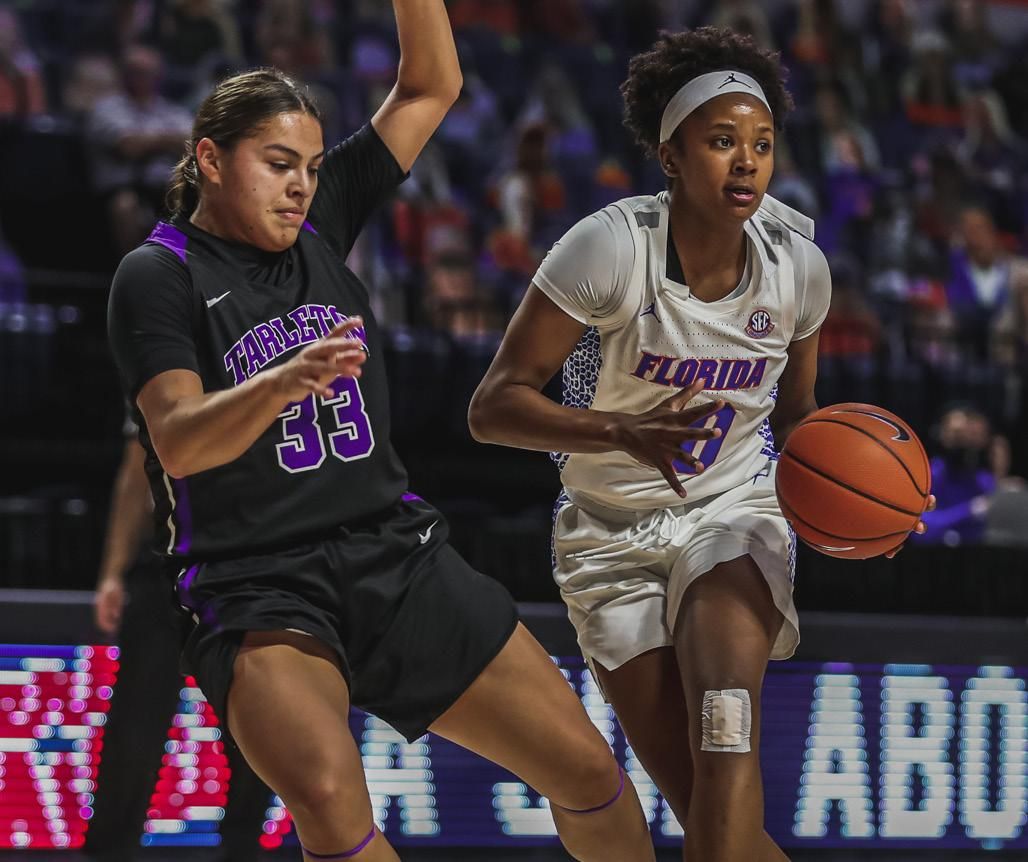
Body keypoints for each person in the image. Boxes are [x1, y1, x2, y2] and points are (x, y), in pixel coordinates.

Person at [106, 3, 654, 861]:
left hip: (394, 553)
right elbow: (177, 440)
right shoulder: (156, 274)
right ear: (210, 159)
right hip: (256, 582)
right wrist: (282, 382)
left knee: (587, 770)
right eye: (279, 164)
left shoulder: (321, 221)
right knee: (327, 799)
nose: (300, 185)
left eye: (313, 168)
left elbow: (431, 85)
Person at [469, 26, 931, 861]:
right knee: (706, 813)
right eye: (722, 142)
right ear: (671, 154)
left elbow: (798, 416)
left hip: (730, 513)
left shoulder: (799, 267)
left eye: (761, 144)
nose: (747, 162)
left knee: (726, 733)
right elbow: (493, 407)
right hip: (606, 533)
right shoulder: (607, 247)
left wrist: (872, 504)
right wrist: (619, 429)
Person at [85, 418, 270, 862]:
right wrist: (113, 570)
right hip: (166, 565)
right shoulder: (157, 353)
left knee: (260, 719)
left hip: (249, 567)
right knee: (136, 719)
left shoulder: (268, 358)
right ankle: (110, 849)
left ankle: (244, 845)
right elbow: (135, 472)